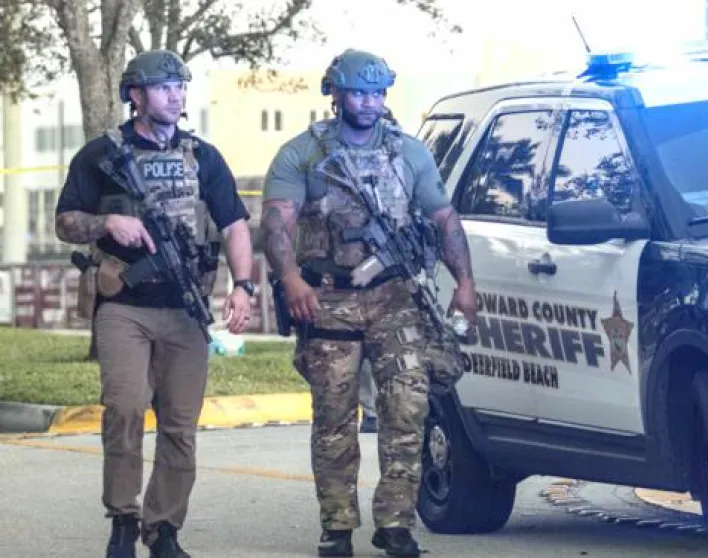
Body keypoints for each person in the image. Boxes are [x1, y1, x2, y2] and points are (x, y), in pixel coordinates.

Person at [260, 48, 477, 557]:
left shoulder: (409, 153)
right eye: (359, 91)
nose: (370, 102)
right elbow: (276, 223)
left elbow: (445, 219)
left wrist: (464, 283)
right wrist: (290, 278)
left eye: (378, 92)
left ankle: (396, 524)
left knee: (408, 409)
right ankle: (336, 526)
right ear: (334, 93)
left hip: (395, 298)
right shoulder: (304, 154)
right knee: (334, 416)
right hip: (328, 297)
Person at [54, 49, 255, 558]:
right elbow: (64, 222)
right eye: (164, 86)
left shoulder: (203, 157)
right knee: (123, 408)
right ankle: (123, 517)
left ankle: (163, 528)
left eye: (180, 86)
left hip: (185, 311)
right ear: (136, 96)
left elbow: (234, 225)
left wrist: (243, 285)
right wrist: (107, 224)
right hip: (124, 306)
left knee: (180, 425)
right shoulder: (100, 155)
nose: (175, 94)